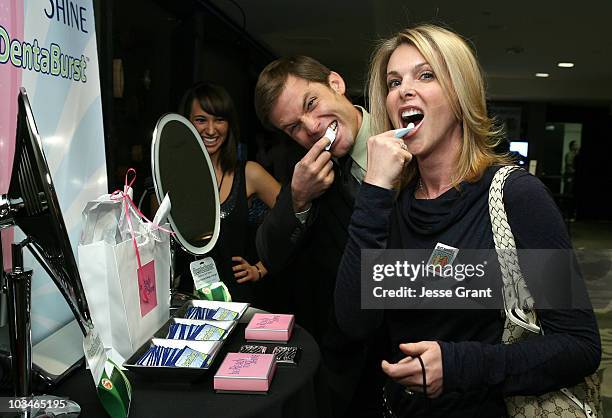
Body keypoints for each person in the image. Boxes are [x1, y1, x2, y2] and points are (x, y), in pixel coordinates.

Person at [334, 24, 601, 417]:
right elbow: (353, 324)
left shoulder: (517, 197)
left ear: (461, 94)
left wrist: (460, 365)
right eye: (393, 82)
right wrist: (374, 190)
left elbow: (579, 345)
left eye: (426, 75)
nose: (403, 90)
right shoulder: (388, 203)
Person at [254, 56, 381, 417]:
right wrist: (297, 197)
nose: (310, 128)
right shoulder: (302, 166)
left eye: (311, 104)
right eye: (293, 127)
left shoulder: (405, 137)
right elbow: (269, 251)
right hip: (344, 371)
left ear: (336, 84)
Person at [179, 82, 280, 302]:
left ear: (229, 125)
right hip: (187, 302)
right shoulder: (172, 178)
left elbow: (295, 217)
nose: (211, 129)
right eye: (201, 120)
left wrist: (262, 267)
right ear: (186, 123)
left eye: (219, 120)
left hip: (239, 303)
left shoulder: (250, 174)